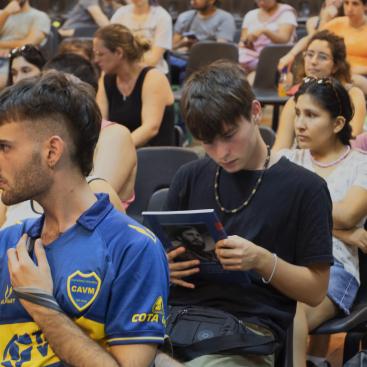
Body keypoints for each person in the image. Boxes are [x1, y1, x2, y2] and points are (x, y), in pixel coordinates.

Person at [155, 61, 334, 367]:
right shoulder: (190, 176)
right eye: (208, 142)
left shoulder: (306, 189)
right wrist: (162, 269)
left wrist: (263, 261)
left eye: (229, 135)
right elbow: (160, 262)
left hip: (247, 333)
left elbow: (316, 291)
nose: (221, 152)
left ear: (254, 111)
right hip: (174, 322)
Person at [0, 71, 169, 366]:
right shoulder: (9, 240)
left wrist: (41, 305)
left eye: (4, 147)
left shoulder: (132, 248)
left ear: (52, 151)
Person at [279, 76, 367, 367]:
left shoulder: (361, 164)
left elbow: (348, 214)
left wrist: (337, 228)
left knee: (291, 315)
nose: (300, 124)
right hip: (283, 259)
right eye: (298, 113)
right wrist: (346, 234)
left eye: (312, 115)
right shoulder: (286, 160)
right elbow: (274, 213)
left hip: (335, 267)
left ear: (338, 123)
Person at [45, 52, 137, 209]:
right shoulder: (46, 136)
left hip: (94, 229)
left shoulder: (114, 135)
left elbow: (92, 203)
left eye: (50, 91)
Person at [273, 30, 366, 151]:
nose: (313, 61)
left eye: (322, 57)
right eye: (310, 54)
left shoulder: (353, 95)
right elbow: (279, 148)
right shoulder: (294, 101)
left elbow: (350, 140)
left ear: (335, 66)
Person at [94, 24, 175, 147]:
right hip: (120, 155)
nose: (96, 60)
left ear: (119, 53)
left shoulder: (153, 78)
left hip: (155, 157)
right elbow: (101, 124)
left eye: (100, 54)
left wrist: (114, 150)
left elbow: (150, 128)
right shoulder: (105, 79)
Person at [278, 0, 367, 94]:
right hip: (336, 71)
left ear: (365, 6)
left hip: (358, 75)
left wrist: (351, 69)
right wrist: (291, 54)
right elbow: (313, 38)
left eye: (355, 4)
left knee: (355, 81)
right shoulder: (337, 23)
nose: (349, 8)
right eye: (346, 3)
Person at [239, 0, 297, 80]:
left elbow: (284, 39)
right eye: (258, 0)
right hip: (252, 57)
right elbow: (243, 40)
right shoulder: (250, 15)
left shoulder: (286, 13)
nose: (262, 3)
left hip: (277, 58)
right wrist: (247, 42)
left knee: (253, 77)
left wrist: (264, 31)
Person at [111, 0, 172, 75]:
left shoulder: (162, 16)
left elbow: (153, 60)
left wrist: (125, 57)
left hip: (153, 73)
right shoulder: (120, 14)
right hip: (123, 72)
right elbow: (111, 48)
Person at [0, 0, 50, 87]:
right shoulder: (2, 14)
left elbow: (29, 43)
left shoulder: (39, 16)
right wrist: (5, 14)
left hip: (18, 60)